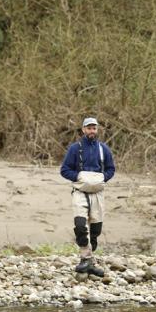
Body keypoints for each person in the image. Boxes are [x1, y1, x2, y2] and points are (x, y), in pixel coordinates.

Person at [60, 117, 115, 277]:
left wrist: (103, 178)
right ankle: (85, 258)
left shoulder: (104, 149)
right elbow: (64, 170)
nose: (92, 131)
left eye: (94, 128)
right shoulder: (74, 149)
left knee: (96, 230)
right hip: (80, 192)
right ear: (83, 130)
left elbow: (111, 169)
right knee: (80, 225)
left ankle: (90, 261)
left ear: (97, 130)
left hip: (98, 193)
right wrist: (79, 177)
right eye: (89, 128)